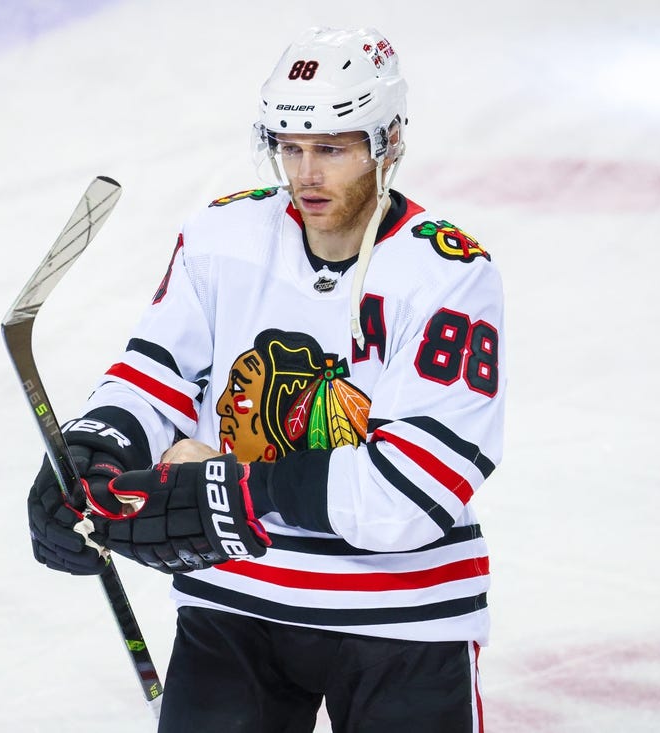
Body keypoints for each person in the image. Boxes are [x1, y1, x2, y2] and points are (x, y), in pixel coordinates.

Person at [27, 26, 505, 733]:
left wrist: (234, 486)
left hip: (403, 617)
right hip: (235, 599)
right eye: (290, 146)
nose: (306, 174)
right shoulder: (225, 239)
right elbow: (154, 374)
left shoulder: (449, 275)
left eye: (332, 148)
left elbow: (411, 490)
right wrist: (92, 450)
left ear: (390, 141)